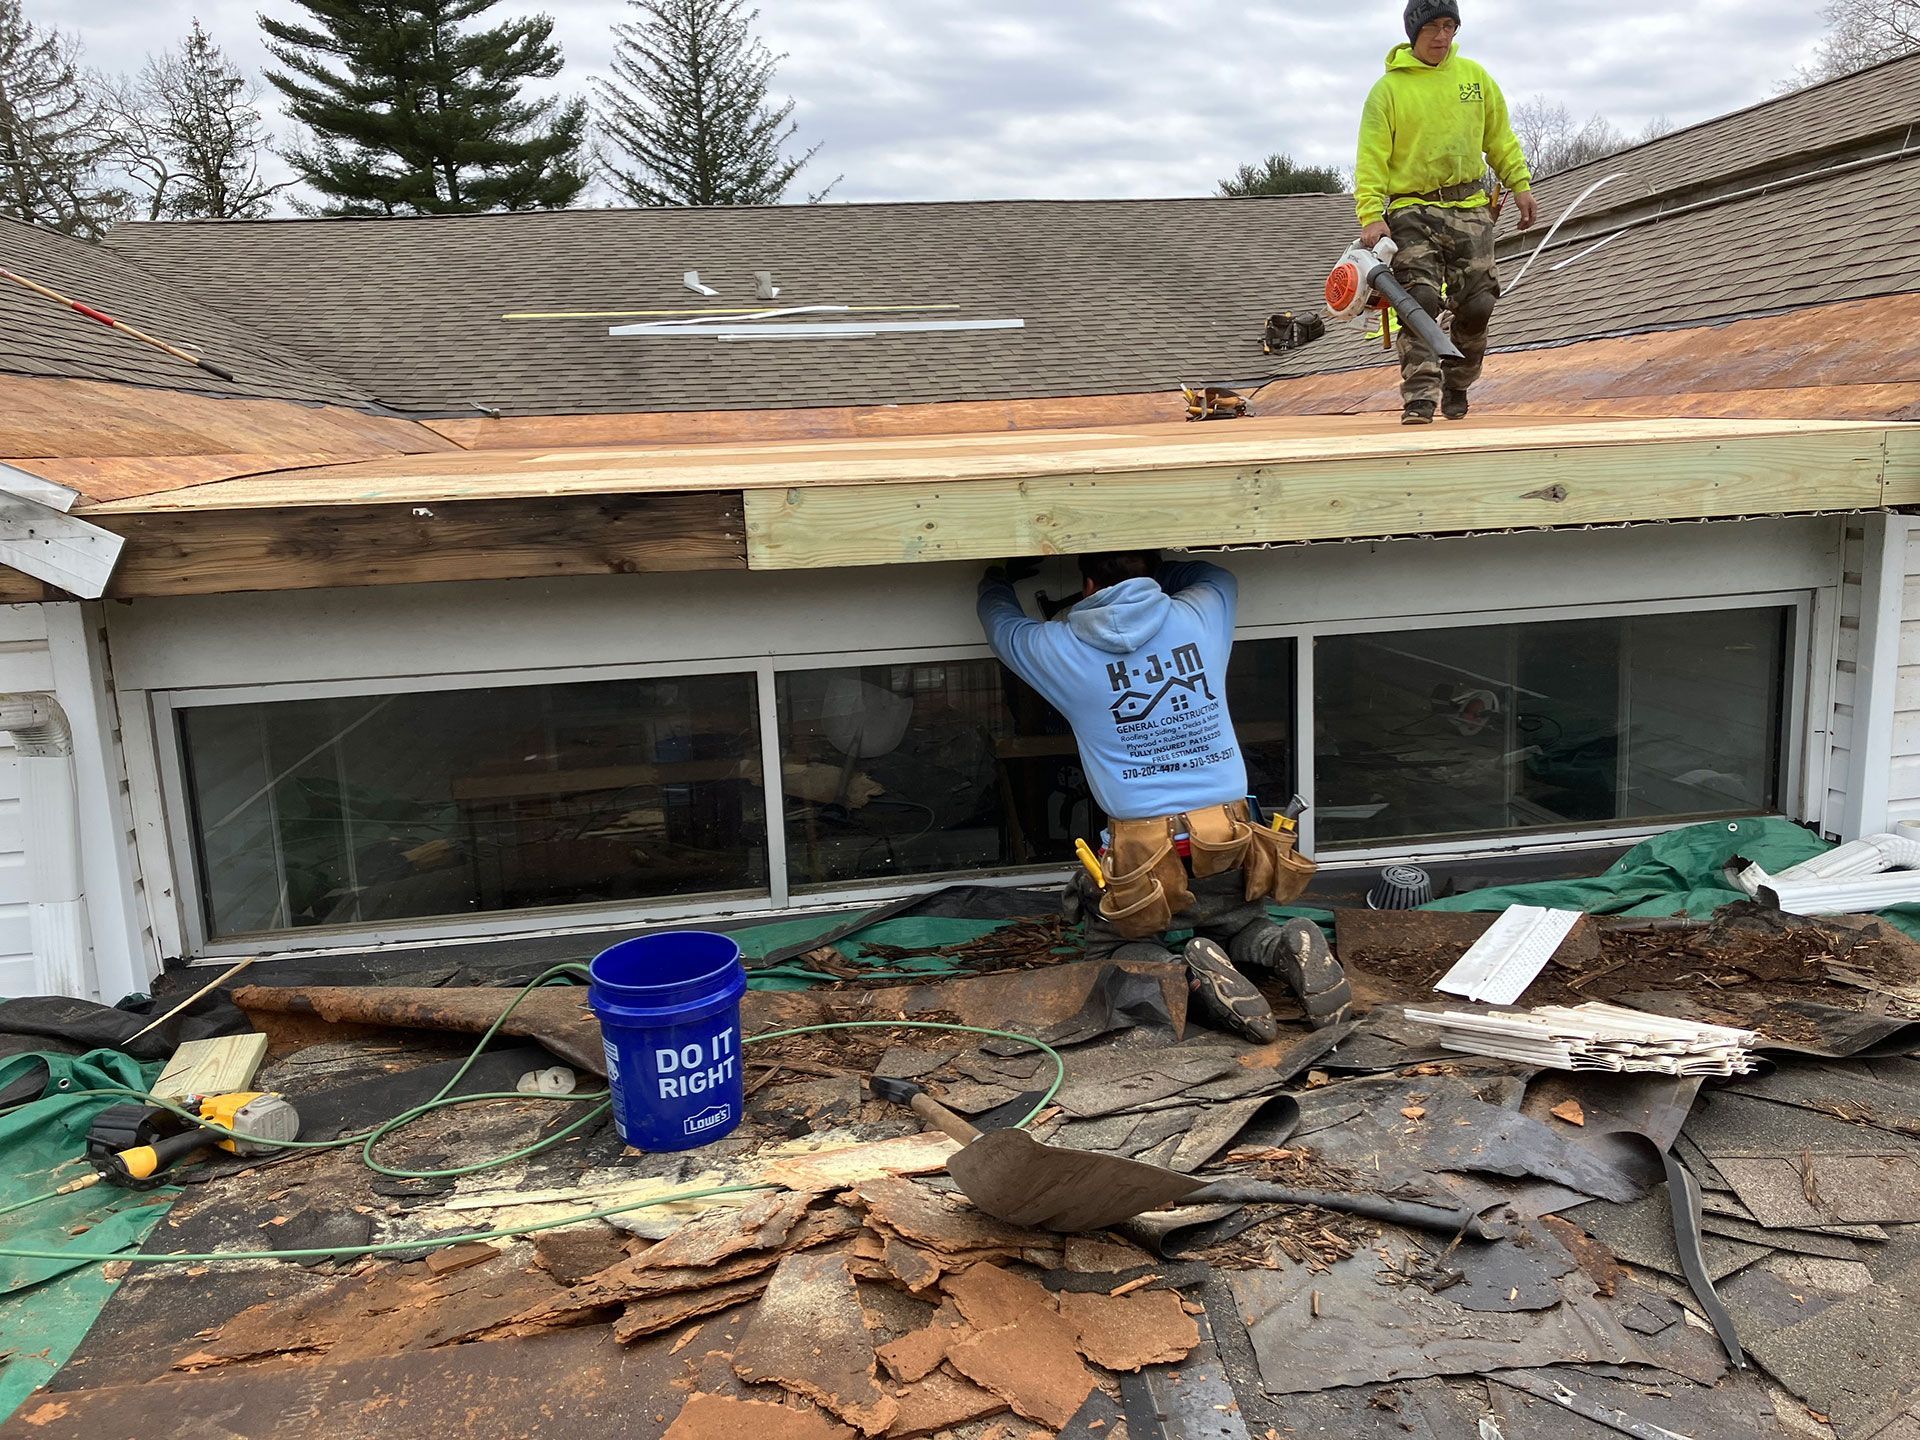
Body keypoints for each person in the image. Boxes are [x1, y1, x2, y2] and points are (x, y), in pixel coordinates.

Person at [978, 552, 1352, 1039]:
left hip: (1145, 848)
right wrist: (1158, 572)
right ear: (1152, 577)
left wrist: (995, 579)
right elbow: (1215, 575)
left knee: (1111, 945)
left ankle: (1189, 972)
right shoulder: (1198, 614)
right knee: (1238, 921)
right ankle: (1283, 944)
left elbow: (1000, 624)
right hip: (1230, 832)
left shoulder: (1058, 647)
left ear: (1087, 584)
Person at [1354, 0, 1536, 426]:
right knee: (1417, 299)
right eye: (1432, 27)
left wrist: (1520, 184)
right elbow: (1370, 159)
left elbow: (1500, 138)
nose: (1442, 36)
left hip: (1469, 204)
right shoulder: (1389, 91)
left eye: (1449, 26)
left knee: (1479, 303)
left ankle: (1457, 383)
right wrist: (1370, 213)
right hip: (1410, 206)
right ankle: (1419, 396)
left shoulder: (1474, 78)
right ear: (1413, 31)